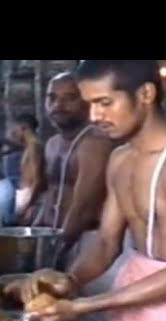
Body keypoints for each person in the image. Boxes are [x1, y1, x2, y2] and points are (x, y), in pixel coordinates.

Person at [5, 60, 166, 321]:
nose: (95, 115)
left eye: (105, 102)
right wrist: (70, 281)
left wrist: (82, 306)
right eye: (90, 104)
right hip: (125, 311)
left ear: (146, 94)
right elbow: (106, 244)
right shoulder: (120, 159)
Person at [33, 72, 116, 270]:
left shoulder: (96, 143)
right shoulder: (52, 144)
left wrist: (56, 250)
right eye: (52, 98)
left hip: (86, 244)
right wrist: (33, 232)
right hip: (54, 239)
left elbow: (84, 207)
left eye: (69, 98)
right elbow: (50, 192)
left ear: (87, 101)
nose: (58, 105)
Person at [8, 114, 46, 225]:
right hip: (25, 194)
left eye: (15, 129)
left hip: (30, 196)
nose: (13, 133)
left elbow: (37, 179)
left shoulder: (35, 147)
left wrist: (28, 205)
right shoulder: (29, 146)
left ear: (24, 127)